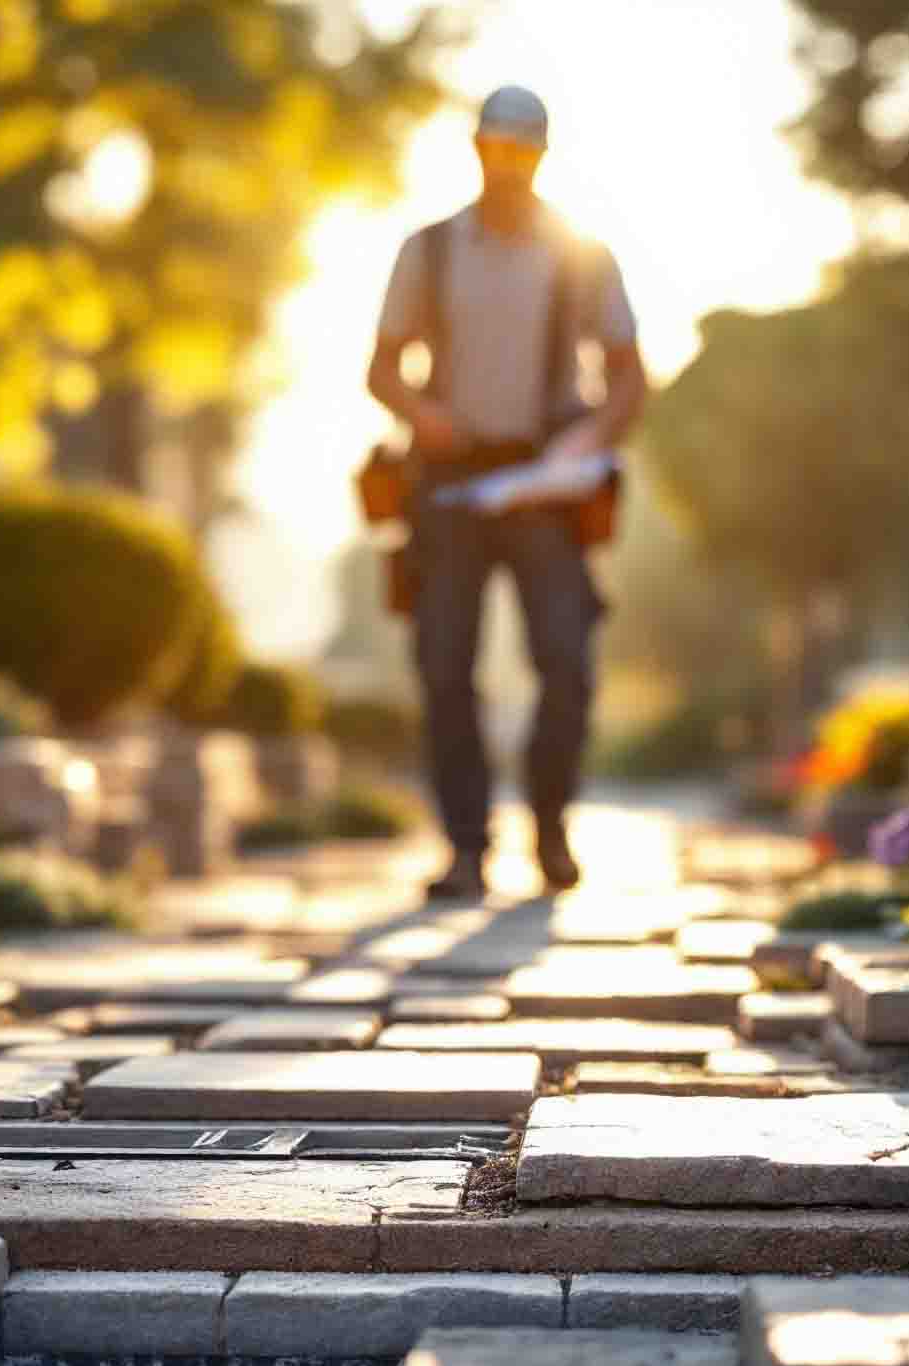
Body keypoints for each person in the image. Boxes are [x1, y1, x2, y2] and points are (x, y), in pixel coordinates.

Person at [368, 84, 647, 899]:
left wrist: (586, 443)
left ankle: (551, 829)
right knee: (444, 663)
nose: (510, 162)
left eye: (525, 148)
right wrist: (424, 413)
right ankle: (465, 848)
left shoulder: (582, 255)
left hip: (548, 484)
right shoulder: (429, 252)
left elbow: (630, 381)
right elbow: (381, 368)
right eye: (498, 146)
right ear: (477, 148)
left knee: (566, 660)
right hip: (449, 487)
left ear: (543, 153)